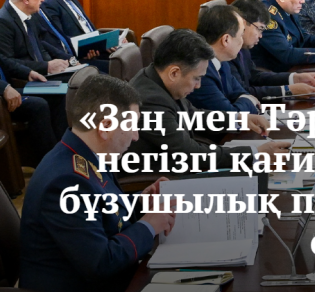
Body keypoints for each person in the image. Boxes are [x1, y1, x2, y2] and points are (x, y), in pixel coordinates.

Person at [19, 75, 177, 292]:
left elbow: (102, 208)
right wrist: (148, 226)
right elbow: (101, 263)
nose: (135, 136)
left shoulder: (83, 153)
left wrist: (141, 202)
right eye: (131, 126)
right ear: (105, 127)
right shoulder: (65, 182)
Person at [127, 29, 289, 172]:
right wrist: (255, 153)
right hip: (158, 177)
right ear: (174, 73)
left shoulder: (157, 77)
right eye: (196, 78)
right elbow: (190, 154)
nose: (198, 86)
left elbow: (192, 114)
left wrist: (240, 119)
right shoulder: (150, 101)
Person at [230, 0, 315, 100]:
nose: (260, 36)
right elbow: (242, 94)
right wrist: (287, 90)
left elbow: (254, 76)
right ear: (243, 23)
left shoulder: (243, 48)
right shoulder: (227, 53)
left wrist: (294, 78)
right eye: (259, 29)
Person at [40, 0, 116, 71]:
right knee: (117, 66)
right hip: (78, 57)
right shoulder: (49, 3)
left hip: (94, 49)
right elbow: (59, 39)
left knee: (127, 55)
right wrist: (87, 49)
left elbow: (87, 26)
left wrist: (107, 40)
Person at [186, 5, 261, 114]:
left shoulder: (222, 61)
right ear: (226, 40)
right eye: (241, 35)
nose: (242, 41)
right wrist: (249, 101)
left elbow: (240, 92)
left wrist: (245, 100)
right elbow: (231, 116)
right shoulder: (201, 72)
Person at [0, 0, 72, 76]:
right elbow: (7, 62)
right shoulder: (3, 21)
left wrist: (67, 61)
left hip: (44, 73)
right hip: (25, 79)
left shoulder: (31, 14)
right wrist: (46, 66)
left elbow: (40, 45)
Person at [0, 55, 59, 167]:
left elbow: (4, 61)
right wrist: (4, 88)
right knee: (38, 106)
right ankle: (50, 166)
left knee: (57, 95)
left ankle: (63, 151)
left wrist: (28, 72)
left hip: (9, 89)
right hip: (2, 95)